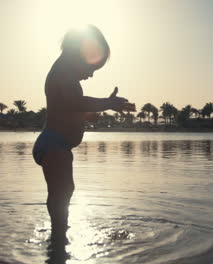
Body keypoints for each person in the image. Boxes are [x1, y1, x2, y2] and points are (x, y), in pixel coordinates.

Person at [32, 25, 135, 245]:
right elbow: (75, 102)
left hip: (56, 144)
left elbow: (71, 107)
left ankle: (59, 233)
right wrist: (106, 103)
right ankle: (58, 236)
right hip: (53, 143)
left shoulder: (66, 77)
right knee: (61, 193)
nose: (91, 74)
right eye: (92, 67)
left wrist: (90, 115)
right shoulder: (62, 73)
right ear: (78, 53)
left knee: (64, 191)